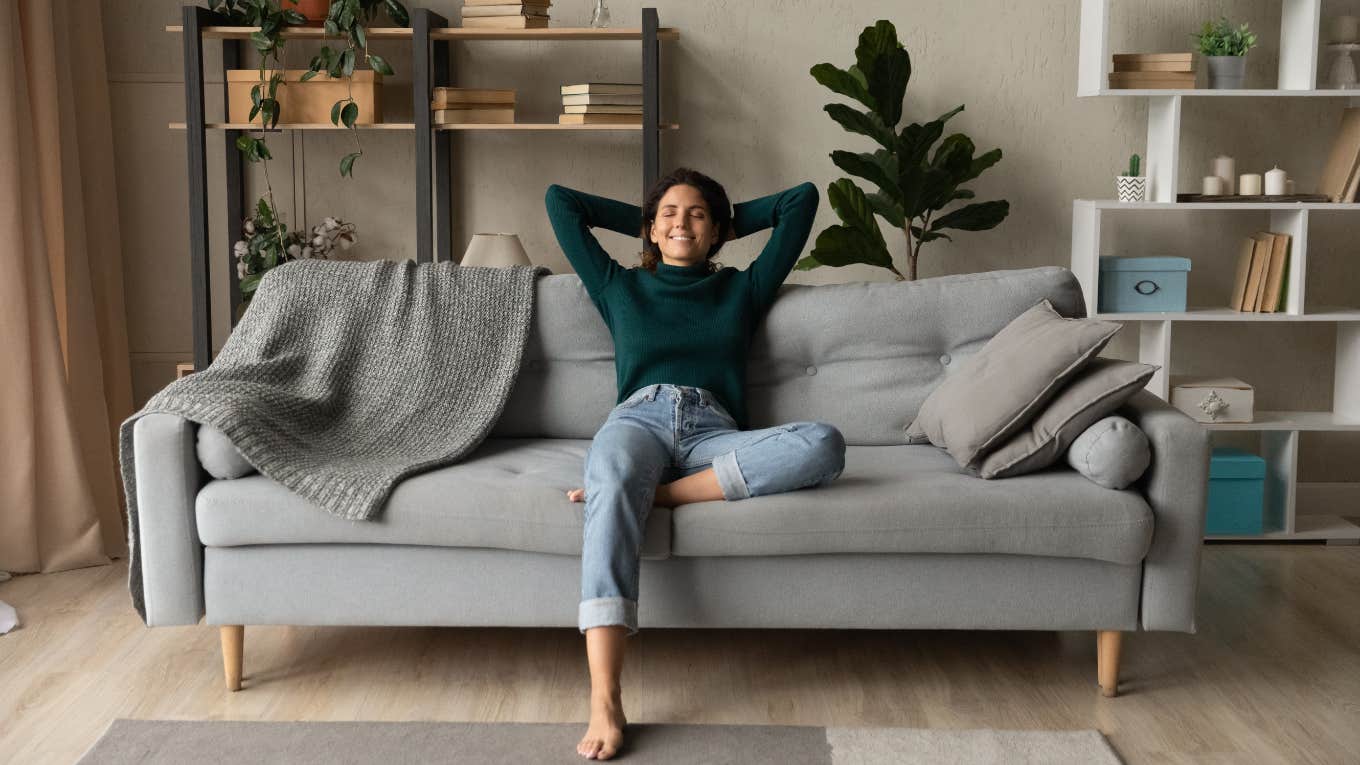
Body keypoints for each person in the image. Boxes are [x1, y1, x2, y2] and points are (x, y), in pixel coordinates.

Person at [544, 168, 846, 760]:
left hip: (715, 432)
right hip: (637, 420)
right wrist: (654, 210)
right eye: (669, 216)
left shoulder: (744, 287)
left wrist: (723, 218)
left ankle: (655, 495)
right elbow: (562, 200)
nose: (682, 222)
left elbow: (801, 201)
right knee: (610, 472)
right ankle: (605, 697)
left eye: (698, 215)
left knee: (824, 443)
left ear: (717, 234)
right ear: (650, 230)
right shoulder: (618, 285)